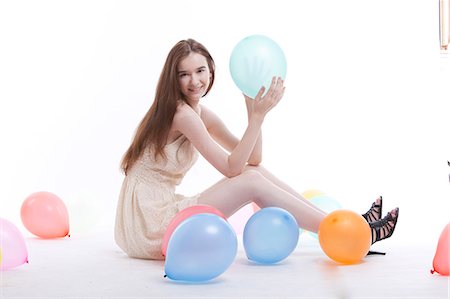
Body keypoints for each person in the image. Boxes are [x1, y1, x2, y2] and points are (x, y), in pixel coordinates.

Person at [114, 38, 399, 260]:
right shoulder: (182, 114)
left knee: (256, 172)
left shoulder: (199, 112)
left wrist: (252, 105)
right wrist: (259, 117)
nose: (195, 81)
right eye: (184, 74)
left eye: (200, 70)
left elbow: (253, 158)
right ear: (173, 79)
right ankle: (350, 231)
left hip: (157, 209)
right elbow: (231, 168)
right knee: (250, 179)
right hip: (149, 223)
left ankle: (349, 225)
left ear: (211, 70)